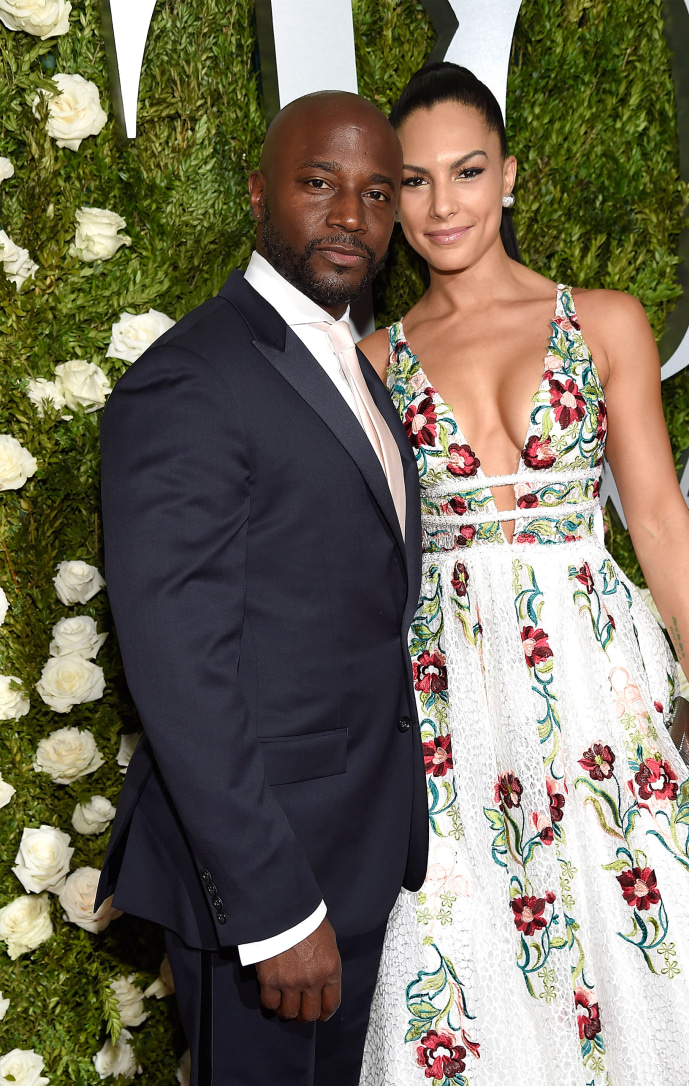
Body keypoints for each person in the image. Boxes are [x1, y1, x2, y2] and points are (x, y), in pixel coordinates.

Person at [358, 63, 689, 1086]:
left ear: (510, 178)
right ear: (390, 198)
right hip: (449, 699)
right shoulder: (370, 360)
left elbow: (662, 522)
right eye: (413, 181)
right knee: (475, 953)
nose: (442, 204)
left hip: (596, 683)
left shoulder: (604, 322)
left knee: (654, 931)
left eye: (467, 171)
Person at [95, 90, 428, 1086]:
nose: (349, 218)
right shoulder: (192, 379)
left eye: (375, 193)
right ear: (256, 194)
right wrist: (275, 907)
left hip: (352, 849)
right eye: (317, 184)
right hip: (270, 886)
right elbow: (178, 667)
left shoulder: (345, 361)